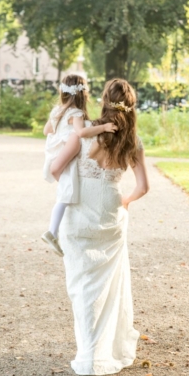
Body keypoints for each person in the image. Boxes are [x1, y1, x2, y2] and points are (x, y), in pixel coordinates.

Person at [49, 78, 149, 376]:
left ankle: (89, 354)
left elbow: (56, 170)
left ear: (104, 100)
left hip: (80, 208)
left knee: (81, 284)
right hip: (111, 210)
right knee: (107, 285)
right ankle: (102, 352)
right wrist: (126, 201)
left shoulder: (85, 132)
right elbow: (143, 187)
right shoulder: (134, 142)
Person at [42, 74, 117, 257]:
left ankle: (55, 231)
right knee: (65, 196)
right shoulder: (76, 113)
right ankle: (52, 232)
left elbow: (46, 130)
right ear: (83, 94)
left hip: (54, 155)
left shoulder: (58, 111)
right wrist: (104, 127)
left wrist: (61, 131)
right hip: (66, 158)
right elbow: (82, 132)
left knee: (66, 193)